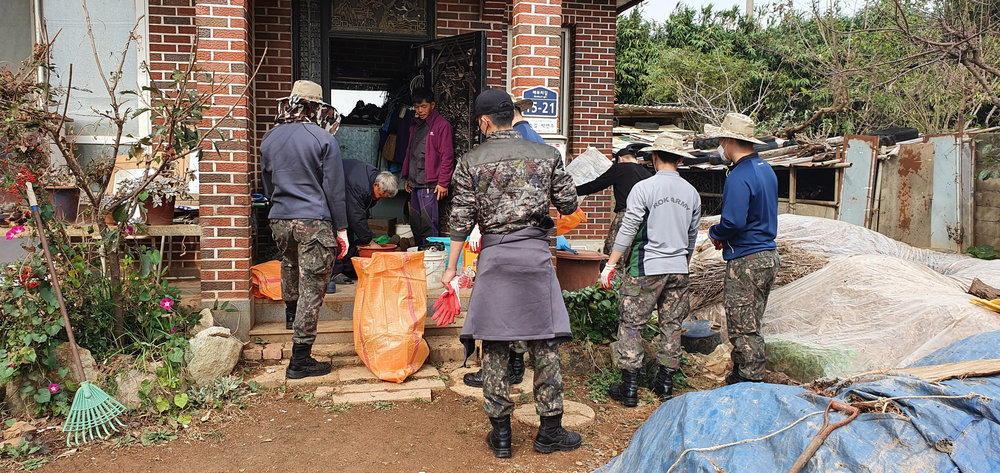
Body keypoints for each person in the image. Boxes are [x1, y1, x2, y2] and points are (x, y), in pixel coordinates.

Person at [443, 89, 582, 458]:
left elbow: (460, 220)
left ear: (485, 122)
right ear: (512, 117)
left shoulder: (470, 161)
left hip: (495, 260)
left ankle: (502, 436)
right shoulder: (548, 155)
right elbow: (569, 204)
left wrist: (450, 269)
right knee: (545, 342)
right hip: (535, 257)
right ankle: (549, 430)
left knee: (495, 343)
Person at [598, 134, 701, 407]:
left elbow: (628, 229)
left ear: (654, 157)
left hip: (646, 266)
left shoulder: (644, 188)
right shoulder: (691, 193)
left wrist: (611, 263)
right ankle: (665, 383)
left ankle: (629, 388)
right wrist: (683, 262)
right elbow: (692, 236)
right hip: (679, 267)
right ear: (680, 159)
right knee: (672, 325)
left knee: (631, 324)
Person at [261, 80, 349, 380]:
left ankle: (290, 317)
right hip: (313, 221)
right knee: (313, 286)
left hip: (279, 219)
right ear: (317, 107)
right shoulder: (323, 138)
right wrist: (342, 230)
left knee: (290, 263)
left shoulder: (269, 138)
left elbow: (267, 185)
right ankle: (300, 360)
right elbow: (334, 189)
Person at [459, 93, 544, 390]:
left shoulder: (483, 155)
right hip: (533, 245)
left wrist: (478, 230)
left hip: (501, 242)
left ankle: (504, 376)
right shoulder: (537, 143)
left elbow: (468, 210)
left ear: (486, 121)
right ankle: (519, 369)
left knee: (498, 311)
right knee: (526, 310)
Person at [706, 112, 780, 385]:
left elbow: (734, 221)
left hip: (747, 258)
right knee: (752, 320)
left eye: (721, 142)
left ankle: (750, 382)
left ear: (727, 140)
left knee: (742, 326)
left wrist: (716, 232)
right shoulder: (765, 169)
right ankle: (742, 373)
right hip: (767, 254)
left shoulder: (739, 175)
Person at [326, 159, 399, 293]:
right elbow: (355, 217)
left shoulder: (374, 178)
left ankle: (342, 268)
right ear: (376, 185)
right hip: (331, 195)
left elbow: (361, 209)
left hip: (345, 193)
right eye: (381, 196)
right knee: (339, 235)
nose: (381, 200)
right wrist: (369, 241)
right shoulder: (359, 186)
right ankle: (334, 272)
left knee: (349, 234)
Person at [576, 147, 654, 268]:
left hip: (626, 215)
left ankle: (611, 283)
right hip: (647, 219)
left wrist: (572, 190)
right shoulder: (647, 174)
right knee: (635, 255)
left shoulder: (620, 168)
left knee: (613, 251)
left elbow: (596, 185)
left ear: (620, 159)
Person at [401, 87, 455, 247]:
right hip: (415, 183)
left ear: (433, 105)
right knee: (416, 224)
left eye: (423, 106)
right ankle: (420, 257)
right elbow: (410, 152)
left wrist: (443, 182)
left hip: (430, 184)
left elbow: (447, 156)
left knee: (428, 225)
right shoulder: (415, 124)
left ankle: (431, 259)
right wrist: (407, 177)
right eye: (417, 107)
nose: (420, 110)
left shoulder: (441, 125)